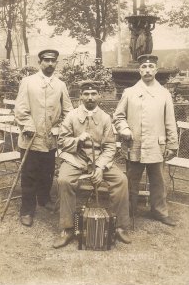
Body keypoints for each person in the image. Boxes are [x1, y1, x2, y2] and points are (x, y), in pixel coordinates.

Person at [53, 81, 131, 248]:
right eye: (86, 94)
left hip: (99, 160)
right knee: (64, 180)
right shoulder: (72, 115)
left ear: (99, 96)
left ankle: (119, 227)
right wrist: (76, 140)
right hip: (75, 158)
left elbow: (110, 146)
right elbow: (61, 141)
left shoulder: (105, 117)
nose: (90, 98)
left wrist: (100, 167)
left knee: (121, 180)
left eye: (93, 94)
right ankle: (67, 229)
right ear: (81, 96)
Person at [113, 54, 178, 227]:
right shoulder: (129, 93)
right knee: (131, 179)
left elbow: (170, 120)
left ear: (156, 70)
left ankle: (159, 211)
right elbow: (118, 116)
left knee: (158, 181)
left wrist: (172, 143)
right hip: (134, 144)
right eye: (143, 67)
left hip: (157, 145)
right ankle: (129, 210)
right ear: (139, 70)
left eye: (151, 67)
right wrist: (124, 128)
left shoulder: (164, 94)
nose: (147, 70)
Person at [15, 49, 73, 227]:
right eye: (46, 60)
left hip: (51, 139)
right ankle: (27, 210)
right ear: (40, 62)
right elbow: (20, 109)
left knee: (47, 172)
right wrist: (27, 124)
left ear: (56, 63)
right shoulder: (28, 82)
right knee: (29, 175)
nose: (50, 64)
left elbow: (69, 111)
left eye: (53, 61)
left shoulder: (60, 85)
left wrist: (62, 128)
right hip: (30, 138)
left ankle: (44, 199)